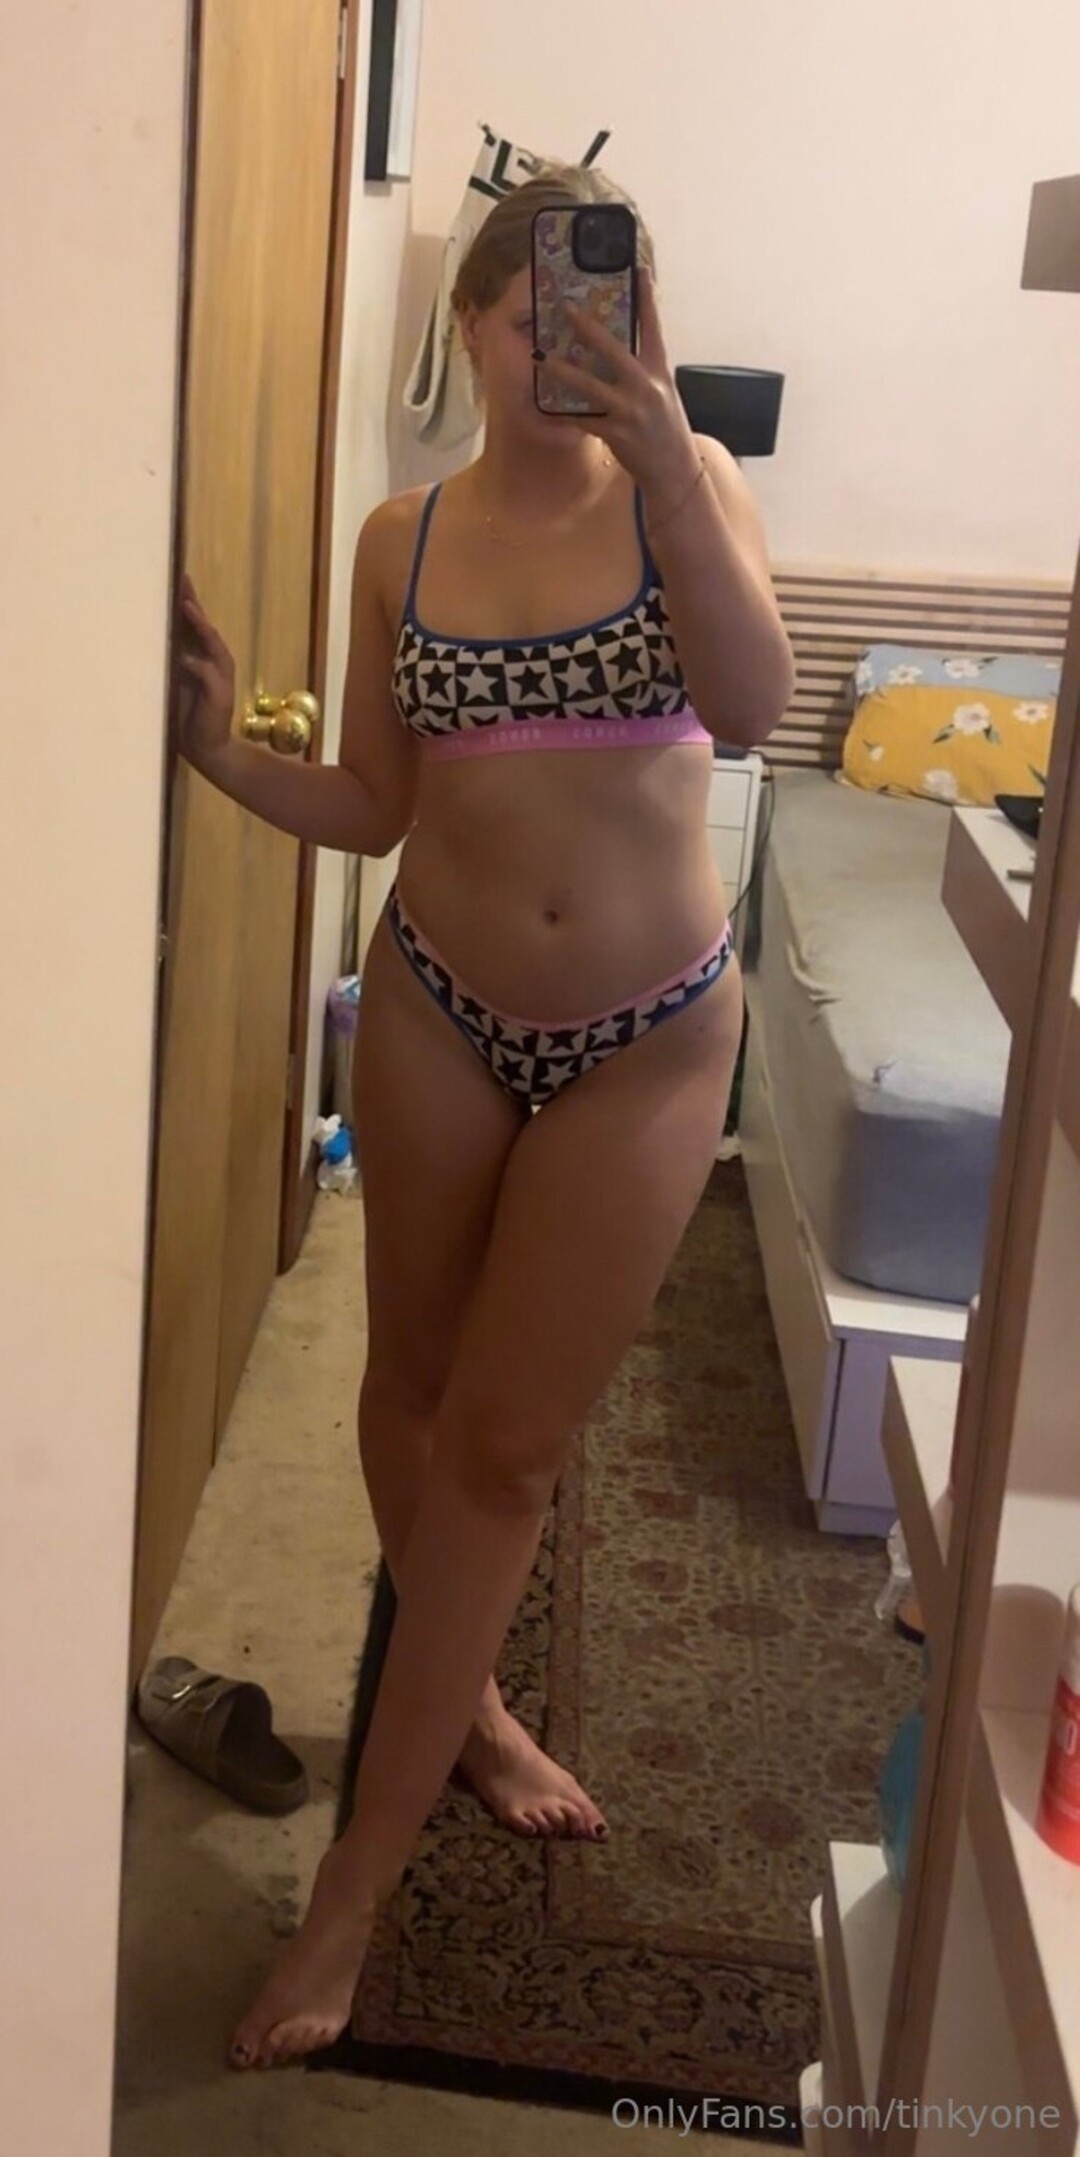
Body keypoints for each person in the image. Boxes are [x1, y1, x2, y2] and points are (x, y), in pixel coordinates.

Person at [176, 162, 795, 2072]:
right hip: (437, 1006)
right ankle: (479, 1712)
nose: (567, 347)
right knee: (411, 1391)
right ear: (467, 326)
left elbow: (754, 706)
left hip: (651, 1037)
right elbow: (374, 799)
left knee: (509, 1450)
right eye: (533, 316)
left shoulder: (692, 487)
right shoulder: (402, 538)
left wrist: (669, 458)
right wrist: (215, 750)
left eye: (607, 309)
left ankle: (358, 1872)